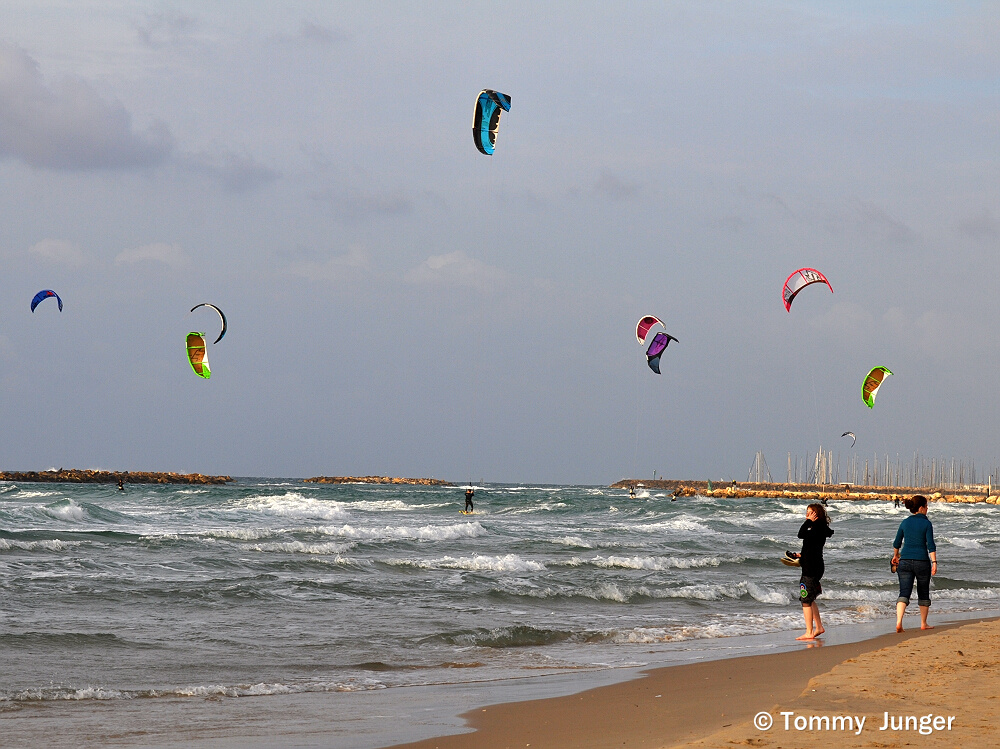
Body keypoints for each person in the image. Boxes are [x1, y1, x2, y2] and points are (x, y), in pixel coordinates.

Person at [892, 495, 936, 633]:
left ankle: (899, 622)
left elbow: (897, 542)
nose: (927, 509)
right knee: (923, 592)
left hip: (904, 561)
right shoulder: (926, 523)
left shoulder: (905, 522)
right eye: (926, 506)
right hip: (922, 562)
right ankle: (923, 623)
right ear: (921, 508)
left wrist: (895, 556)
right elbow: (931, 545)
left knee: (904, 592)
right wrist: (934, 562)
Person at [795, 503, 834, 640]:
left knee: (805, 599)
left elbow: (801, 534)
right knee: (810, 599)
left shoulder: (816, 527)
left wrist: (807, 522)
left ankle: (809, 632)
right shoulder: (819, 528)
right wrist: (801, 555)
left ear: (816, 515)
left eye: (810, 512)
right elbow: (813, 548)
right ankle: (819, 627)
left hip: (811, 568)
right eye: (807, 512)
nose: (807, 515)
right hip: (815, 565)